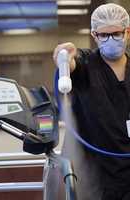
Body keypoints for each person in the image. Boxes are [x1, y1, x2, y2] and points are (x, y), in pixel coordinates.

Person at [53, 3, 130, 200]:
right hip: (97, 177)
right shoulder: (85, 65)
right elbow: (70, 61)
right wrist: (64, 56)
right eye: (103, 35)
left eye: (116, 33)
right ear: (95, 36)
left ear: (127, 32)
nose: (110, 39)